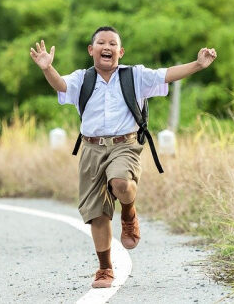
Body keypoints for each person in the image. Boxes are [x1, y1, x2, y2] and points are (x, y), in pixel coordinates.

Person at [29, 26, 217, 288]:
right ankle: (105, 268)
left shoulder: (135, 76)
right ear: (91, 50)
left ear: (121, 51)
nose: (107, 47)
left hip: (125, 145)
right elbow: (60, 84)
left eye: (113, 43)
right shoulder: (82, 79)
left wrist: (198, 64)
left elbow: (167, 75)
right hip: (91, 149)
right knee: (98, 214)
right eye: (101, 43)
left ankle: (129, 213)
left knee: (121, 183)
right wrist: (47, 68)